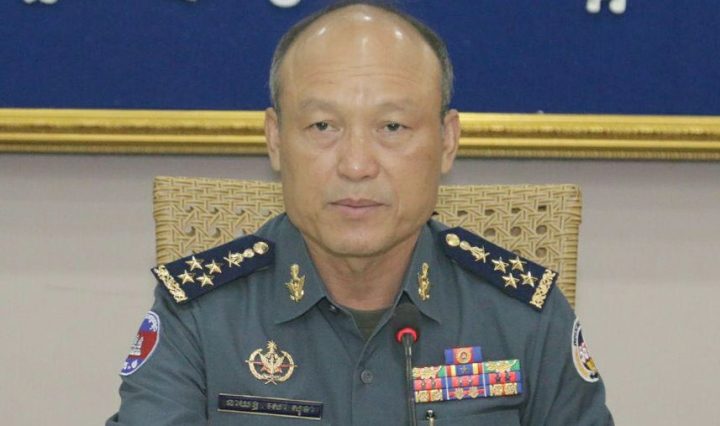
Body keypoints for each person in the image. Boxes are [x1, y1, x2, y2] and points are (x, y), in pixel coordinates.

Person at [107, 2, 613, 424]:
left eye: (392, 127)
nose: (355, 165)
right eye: (323, 126)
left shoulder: (523, 316)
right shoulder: (200, 315)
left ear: (447, 142)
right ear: (275, 140)